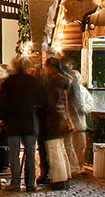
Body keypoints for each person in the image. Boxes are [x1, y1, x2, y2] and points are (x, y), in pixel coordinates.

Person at [0, 54, 47, 192]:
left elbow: (2, 103)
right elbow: (44, 102)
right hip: (30, 121)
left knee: (14, 153)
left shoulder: (8, 82)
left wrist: (1, 118)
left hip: (13, 122)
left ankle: (15, 183)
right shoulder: (35, 82)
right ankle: (30, 183)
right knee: (30, 153)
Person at [43, 57, 75, 190]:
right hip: (62, 117)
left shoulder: (52, 81)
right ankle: (66, 176)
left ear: (49, 67)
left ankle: (59, 179)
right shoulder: (64, 79)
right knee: (61, 149)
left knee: (54, 149)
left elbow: (50, 101)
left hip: (53, 119)